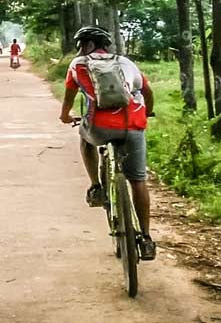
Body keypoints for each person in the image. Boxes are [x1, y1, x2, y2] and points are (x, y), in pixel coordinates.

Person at [59, 25, 156, 261]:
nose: (80, 49)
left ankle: (96, 187)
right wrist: (148, 113)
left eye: (82, 44)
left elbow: (69, 96)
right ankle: (146, 238)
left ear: (89, 44)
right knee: (138, 181)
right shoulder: (126, 62)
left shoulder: (78, 64)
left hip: (99, 127)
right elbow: (147, 90)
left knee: (85, 139)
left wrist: (65, 116)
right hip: (133, 125)